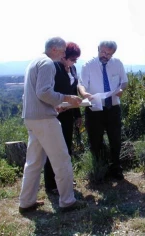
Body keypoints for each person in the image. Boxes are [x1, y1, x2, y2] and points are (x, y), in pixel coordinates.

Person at [19, 37, 87, 213]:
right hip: (44, 119)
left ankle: (26, 202)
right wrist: (66, 98)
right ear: (55, 49)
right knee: (62, 160)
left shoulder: (34, 62)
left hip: (31, 117)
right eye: (63, 51)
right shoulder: (48, 64)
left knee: (33, 162)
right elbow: (43, 92)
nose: (65, 54)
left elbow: (35, 93)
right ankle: (68, 201)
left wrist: (57, 102)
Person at [78, 41, 128, 180]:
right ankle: (100, 169)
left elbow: (124, 81)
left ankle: (116, 168)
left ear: (113, 53)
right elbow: (81, 84)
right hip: (94, 108)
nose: (105, 56)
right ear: (98, 49)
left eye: (109, 54)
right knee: (95, 141)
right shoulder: (88, 65)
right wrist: (84, 94)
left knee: (115, 139)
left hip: (113, 107)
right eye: (103, 52)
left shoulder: (117, 64)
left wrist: (122, 89)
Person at [44, 42, 82, 195]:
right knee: (52, 149)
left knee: (66, 148)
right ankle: (51, 183)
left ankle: (65, 178)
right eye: (73, 59)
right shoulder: (53, 68)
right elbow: (49, 91)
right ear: (64, 56)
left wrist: (77, 114)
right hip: (55, 113)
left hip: (68, 113)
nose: (75, 62)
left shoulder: (72, 69)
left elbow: (74, 91)